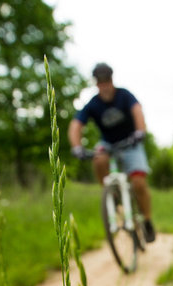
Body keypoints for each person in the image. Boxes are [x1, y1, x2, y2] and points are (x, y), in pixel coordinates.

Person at [69, 63, 156, 243]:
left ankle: (147, 221)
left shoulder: (124, 95)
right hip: (108, 144)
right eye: (100, 82)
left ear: (111, 80)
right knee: (98, 159)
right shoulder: (93, 104)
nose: (104, 85)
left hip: (131, 142)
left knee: (139, 183)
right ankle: (111, 193)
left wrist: (140, 131)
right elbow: (76, 125)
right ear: (96, 83)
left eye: (107, 80)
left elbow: (137, 111)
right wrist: (77, 146)